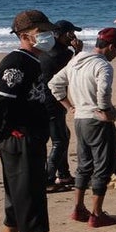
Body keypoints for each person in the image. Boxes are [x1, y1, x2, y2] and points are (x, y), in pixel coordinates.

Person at [0, 10, 64, 232]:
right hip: (21, 140)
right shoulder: (17, 63)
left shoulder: (33, 60)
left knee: (17, 201)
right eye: (42, 33)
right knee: (29, 201)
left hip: (29, 138)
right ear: (25, 35)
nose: (48, 36)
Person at [49, 27, 116, 228]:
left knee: (84, 165)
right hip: (97, 120)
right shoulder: (103, 66)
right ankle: (97, 213)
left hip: (80, 120)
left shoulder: (76, 60)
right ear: (110, 46)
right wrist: (106, 110)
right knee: (103, 165)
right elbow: (103, 91)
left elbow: (54, 84)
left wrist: (71, 106)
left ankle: (78, 207)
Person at [41, 19, 82, 191]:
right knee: (60, 139)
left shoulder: (46, 50)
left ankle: (63, 174)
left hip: (43, 99)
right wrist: (78, 51)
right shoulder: (62, 54)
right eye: (71, 33)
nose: (73, 36)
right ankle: (48, 179)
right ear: (63, 35)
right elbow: (76, 69)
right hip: (53, 100)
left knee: (62, 135)